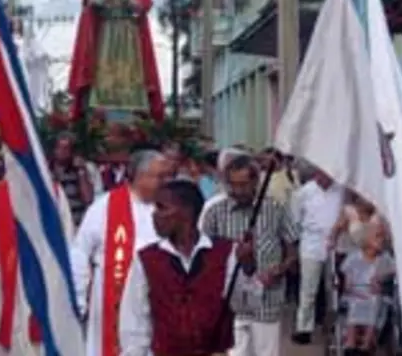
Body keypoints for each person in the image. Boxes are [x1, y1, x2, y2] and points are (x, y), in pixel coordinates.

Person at [119, 180, 263, 355]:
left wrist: (247, 268)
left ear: (186, 212)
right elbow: (134, 322)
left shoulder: (225, 252)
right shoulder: (146, 259)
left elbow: (246, 306)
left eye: (162, 208)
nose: (154, 215)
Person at [70, 150, 172, 356]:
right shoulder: (104, 207)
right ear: (139, 176)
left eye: (167, 176)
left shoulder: (171, 207)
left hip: (158, 299)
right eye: (159, 176)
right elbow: (80, 252)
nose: (165, 182)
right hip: (113, 296)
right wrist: (79, 300)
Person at [201, 154, 299, 356]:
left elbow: (292, 251)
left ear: (256, 181)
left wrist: (278, 271)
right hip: (231, 302)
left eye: (244, 184)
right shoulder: (215, 212)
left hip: (267, 299)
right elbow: (203, 256)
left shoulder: (275, 208)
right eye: (233, 185)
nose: (238, 191)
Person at [68, 0, 163, 122]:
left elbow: (145, 3)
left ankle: (131, 101)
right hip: (107, 31)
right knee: (105, 66)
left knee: (130, 68)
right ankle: (104, 99)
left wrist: (130, 2)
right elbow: (89, 0)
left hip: (128, 31)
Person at [0, 178, 74, 355]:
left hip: (47, 277)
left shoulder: (53, 192)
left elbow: (66, 234)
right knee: (14, 338)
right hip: (10, 281)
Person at [290, 169, 344, 344]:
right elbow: (295, 218)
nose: (322, 179)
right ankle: (304, 328)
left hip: (337, 243)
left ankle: (335, 326)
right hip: (311, 243)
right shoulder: (305, 192)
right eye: (318, 175)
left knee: (334, 289)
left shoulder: (341, 190)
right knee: (308, 289)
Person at [340, 225, 395, 353]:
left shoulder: (384, 258)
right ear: (367, 240)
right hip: (355, 293)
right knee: (354, 304)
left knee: (375, 302)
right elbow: (348, 283)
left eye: (382, 237)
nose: (381, 240)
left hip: (375, 294)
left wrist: (381, 277)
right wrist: (351, 287)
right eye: (377, 237)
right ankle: (350, 342)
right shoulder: (354, 257)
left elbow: (394, 270)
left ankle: (366, 344)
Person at [51, 133, 94, 227]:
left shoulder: (80, 171)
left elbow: (88, 199)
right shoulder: (48, 170)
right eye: (60, 148)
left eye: (66, 148)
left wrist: (81, 172)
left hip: (75, 222)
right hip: (56, 223)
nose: (63, 152)